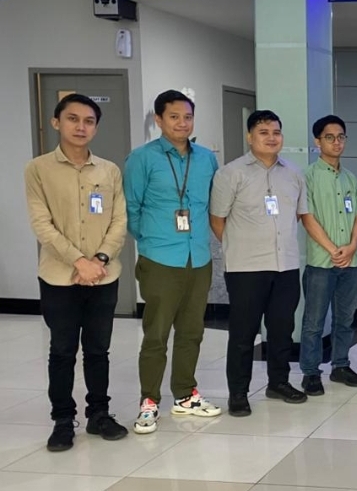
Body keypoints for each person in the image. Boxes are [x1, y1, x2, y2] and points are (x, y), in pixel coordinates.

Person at [25, 94, 128, 451]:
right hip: (59, 277)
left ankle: (99, 414)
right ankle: (63, 420)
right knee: (62, 350)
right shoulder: (38, 169)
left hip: (103, 275)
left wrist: (99, 259)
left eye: (89, 121)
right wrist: (78, 261)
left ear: (96, 128)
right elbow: (42, 224)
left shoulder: (109, 170)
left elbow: (119, 220)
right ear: (56, 122)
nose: (81, 127)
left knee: (98, 350)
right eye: (73, 119)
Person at [124, 89, 222, 435]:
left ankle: (185, 394)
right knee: (156, 334)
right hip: (161, 258)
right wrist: (152, 240)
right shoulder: (142, 158)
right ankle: (149, 400)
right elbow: (131, 209)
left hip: (199, 257)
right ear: (159, 119)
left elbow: (213, 203)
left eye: (188, 117)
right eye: (174, 117)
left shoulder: (206, 159)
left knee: (192, 331)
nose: (182, 123)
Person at [210, 110, 309, 416]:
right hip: (246, 268)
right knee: (243, 333)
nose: (271, 137)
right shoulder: (231, 173)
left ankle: (278, 383)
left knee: (282, 329)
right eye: (263, 132)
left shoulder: (293, 173)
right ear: (249, 136)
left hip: (286, 265)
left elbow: (296, 215)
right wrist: (242, 246)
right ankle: (238, 393)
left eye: (276, 132)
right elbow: (217, 219)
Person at [298, 115, 357, 396]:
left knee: (344, 319)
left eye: (341, 137)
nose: (336, 142)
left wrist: (351, 247)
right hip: (321, 263)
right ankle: (311, 373)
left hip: (350, 262)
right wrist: (332, 249)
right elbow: (307, 217)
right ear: (318, 141)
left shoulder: (350, 178)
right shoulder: (308, 177)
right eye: (329, 137)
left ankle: (340, 365)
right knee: (314, 322)